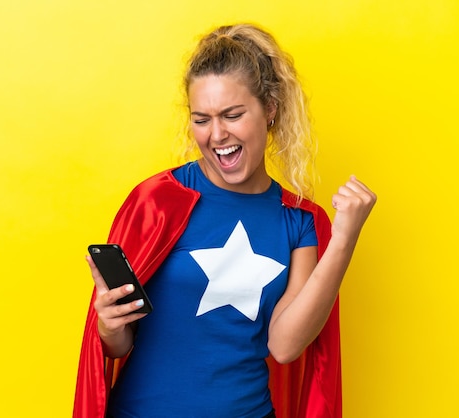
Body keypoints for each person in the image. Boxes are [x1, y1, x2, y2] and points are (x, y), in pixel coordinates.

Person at [73, 23, 376, 418]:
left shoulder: (299, 221)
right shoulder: (158, 200)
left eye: (232, 115)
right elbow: (117, 345)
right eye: (202, 119)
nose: (217, 135)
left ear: (270, 108)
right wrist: (110, 326)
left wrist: (344, 239)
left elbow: (285, 346)